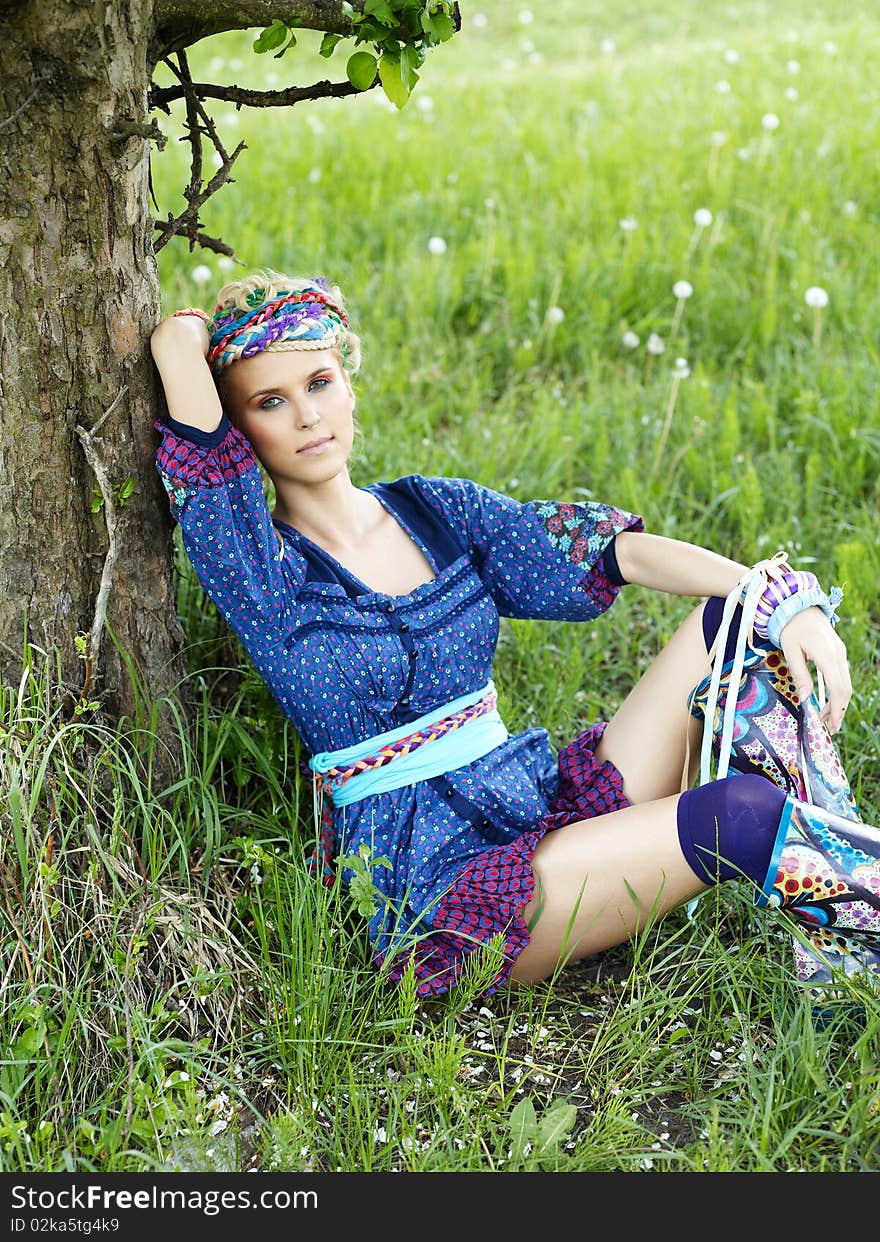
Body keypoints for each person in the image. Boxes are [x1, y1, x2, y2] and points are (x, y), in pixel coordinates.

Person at [149, 269, 880, 1002]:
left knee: (736, 615)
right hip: (442, 887)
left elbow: (602, 552)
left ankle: (843, 960)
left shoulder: (433, 511)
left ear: (349, 381)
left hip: (535, 808)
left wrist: (786, 600)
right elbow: (190, 407)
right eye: (270, 402)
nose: (307, 416)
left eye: (319, 382)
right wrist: (194, 333)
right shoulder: (263, 572)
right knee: (739, 817)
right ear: (243, 428)